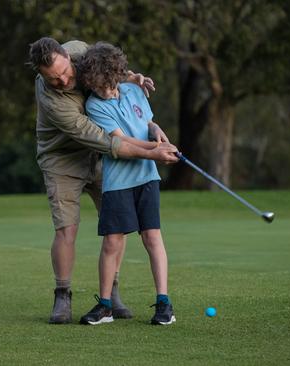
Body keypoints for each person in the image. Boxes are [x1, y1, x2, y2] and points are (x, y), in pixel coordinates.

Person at [28, 37, 179, 324]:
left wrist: (132, 78)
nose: (64, 80)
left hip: (102, 159)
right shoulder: (52, 100)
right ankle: (63, 295)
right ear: (41, 74)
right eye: (54, 78)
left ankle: (112, 293)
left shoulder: (79, 51)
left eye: (66, 72)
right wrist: (154, 152)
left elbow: (108, 67)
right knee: (66, 230)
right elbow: (107, 142)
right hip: (64, 159)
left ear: (68, 57)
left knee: (116, 230)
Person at [77, 42, 176, 325]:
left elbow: (148, 123)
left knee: (152, 237)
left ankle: (163, 304)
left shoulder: (134, 90)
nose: (104, 91)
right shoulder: (94, 105)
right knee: (112, 242)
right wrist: (156, 151)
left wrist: (157, 132)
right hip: (118, 181)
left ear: (117, 76)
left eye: (108, 85)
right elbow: (121, 141)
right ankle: (105, 305)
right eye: (97, 86)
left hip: (147, 178)